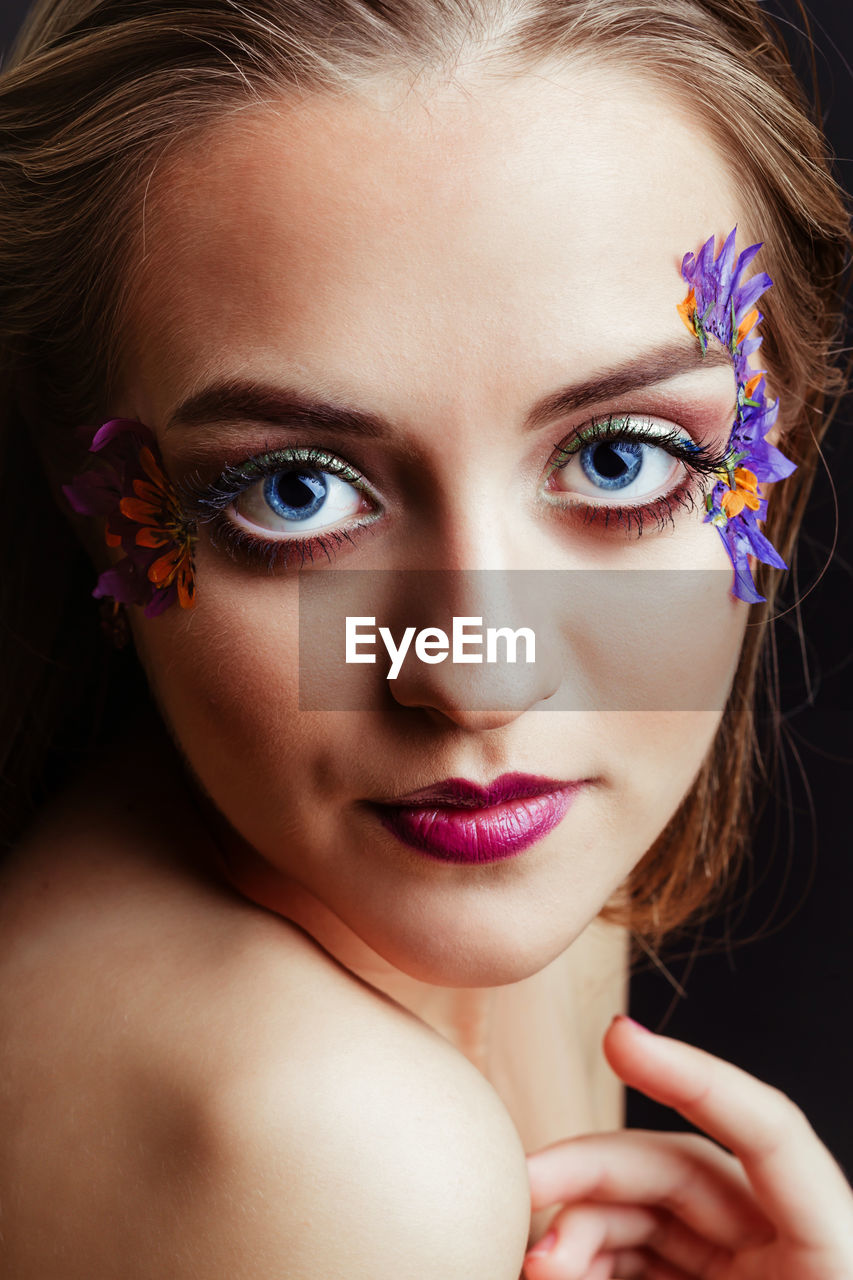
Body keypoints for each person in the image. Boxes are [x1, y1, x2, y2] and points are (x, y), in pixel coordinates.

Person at [0, 0, 851, 1275]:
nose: (476, 677)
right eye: (297, 489)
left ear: (777, 435)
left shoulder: (475, 849)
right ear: (97, 488)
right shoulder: (325, 1144)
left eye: (623, 459)